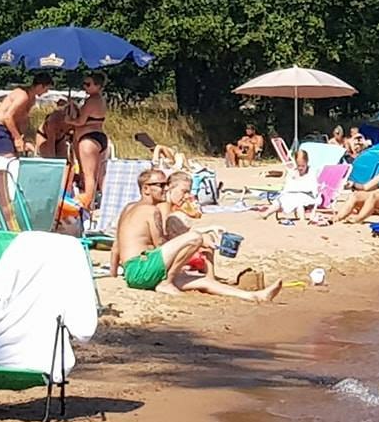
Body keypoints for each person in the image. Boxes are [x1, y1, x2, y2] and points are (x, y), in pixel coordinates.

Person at [112, 172, 281, 301]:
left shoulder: (129, 207)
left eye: (166, 184)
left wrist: (114, 275)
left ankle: (256, 296)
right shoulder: (152, 210)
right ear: (145, 189)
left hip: (137, 273)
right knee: (195, 238)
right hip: (142, 269)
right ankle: (166, 282)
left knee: (204, 281)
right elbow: (160, 245)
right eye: (160, 185)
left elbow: (116, 246)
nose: (165, 188)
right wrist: (188, 248)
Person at [0, 76, 50, 231]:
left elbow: (22, 119)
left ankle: (12, 201)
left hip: (9, 130)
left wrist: (23, 138)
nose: (46, 92)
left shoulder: (32, 99)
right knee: (8, 161)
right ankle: (1, 197)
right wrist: (16, 138)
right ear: (40, 86)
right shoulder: (22, 95)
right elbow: (7, 117)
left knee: (16, 161)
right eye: (46, 88)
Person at [72, 73, 111, 213]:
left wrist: (68, 120)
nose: (85, 87)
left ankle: (88, 206)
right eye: (84, 84)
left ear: (98, 86)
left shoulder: (91, 100)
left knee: (89, 175)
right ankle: (108, 204)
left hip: (88, 139)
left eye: (88, 84)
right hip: (100, 137)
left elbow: (80, 121)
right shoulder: (101, 100)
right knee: (101, 175)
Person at [275, 149, 318, 223]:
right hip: (292, 194)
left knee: (299, 203)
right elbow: (287, 186)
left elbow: (312, 187)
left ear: (307, 162)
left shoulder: (311, 172)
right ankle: (265, 214)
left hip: (307, 196)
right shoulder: (293, 172)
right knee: (279, 201)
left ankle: (302, 219)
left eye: (303, 166)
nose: (300, 168)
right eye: (298, 166)